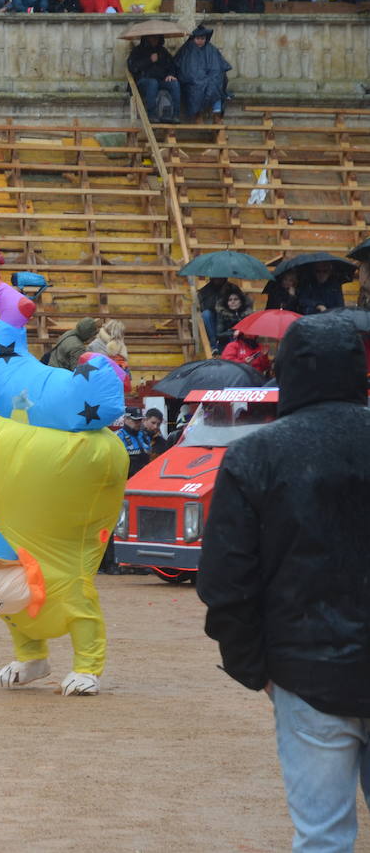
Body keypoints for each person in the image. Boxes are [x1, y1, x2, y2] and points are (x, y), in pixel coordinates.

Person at [197, 313, 370, 853]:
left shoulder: (256, 454)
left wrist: (256, 667)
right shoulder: (257, 454)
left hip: (305, 669)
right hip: (303, 665)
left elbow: (226, 578)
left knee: (323, 839)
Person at [175, 26, 231, 122]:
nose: (200, 41)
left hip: (210, 79)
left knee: (216, 85)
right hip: (193, 81)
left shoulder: (211, 49)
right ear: (193, 38)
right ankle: (198, 115)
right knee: (197, 89)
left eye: (203, 39)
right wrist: (199, 78)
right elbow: (185, 69)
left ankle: (217, 114)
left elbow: (217, 67)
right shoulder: (187, 49)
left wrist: (211, 78)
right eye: (198, 39)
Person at [128, 34, 181, 123]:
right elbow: (133, 67)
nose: (155, 39)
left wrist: (171, 74)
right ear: (146, 37)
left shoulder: (163, 51)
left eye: (157, 37)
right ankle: (152, 114)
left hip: (161, 80)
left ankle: (175, 115)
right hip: (143, 81)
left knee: (174, 83)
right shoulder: (138, 50)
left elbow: (172, 65)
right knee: (152, 83)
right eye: (152, 37)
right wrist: (149, 60)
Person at [116, 407, 152, 477]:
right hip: (126, 480)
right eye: (135, 420)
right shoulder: (118, 437)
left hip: (144, 478)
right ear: (126, 419)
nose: (138, 423)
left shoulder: (145, 436)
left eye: (140, 420)